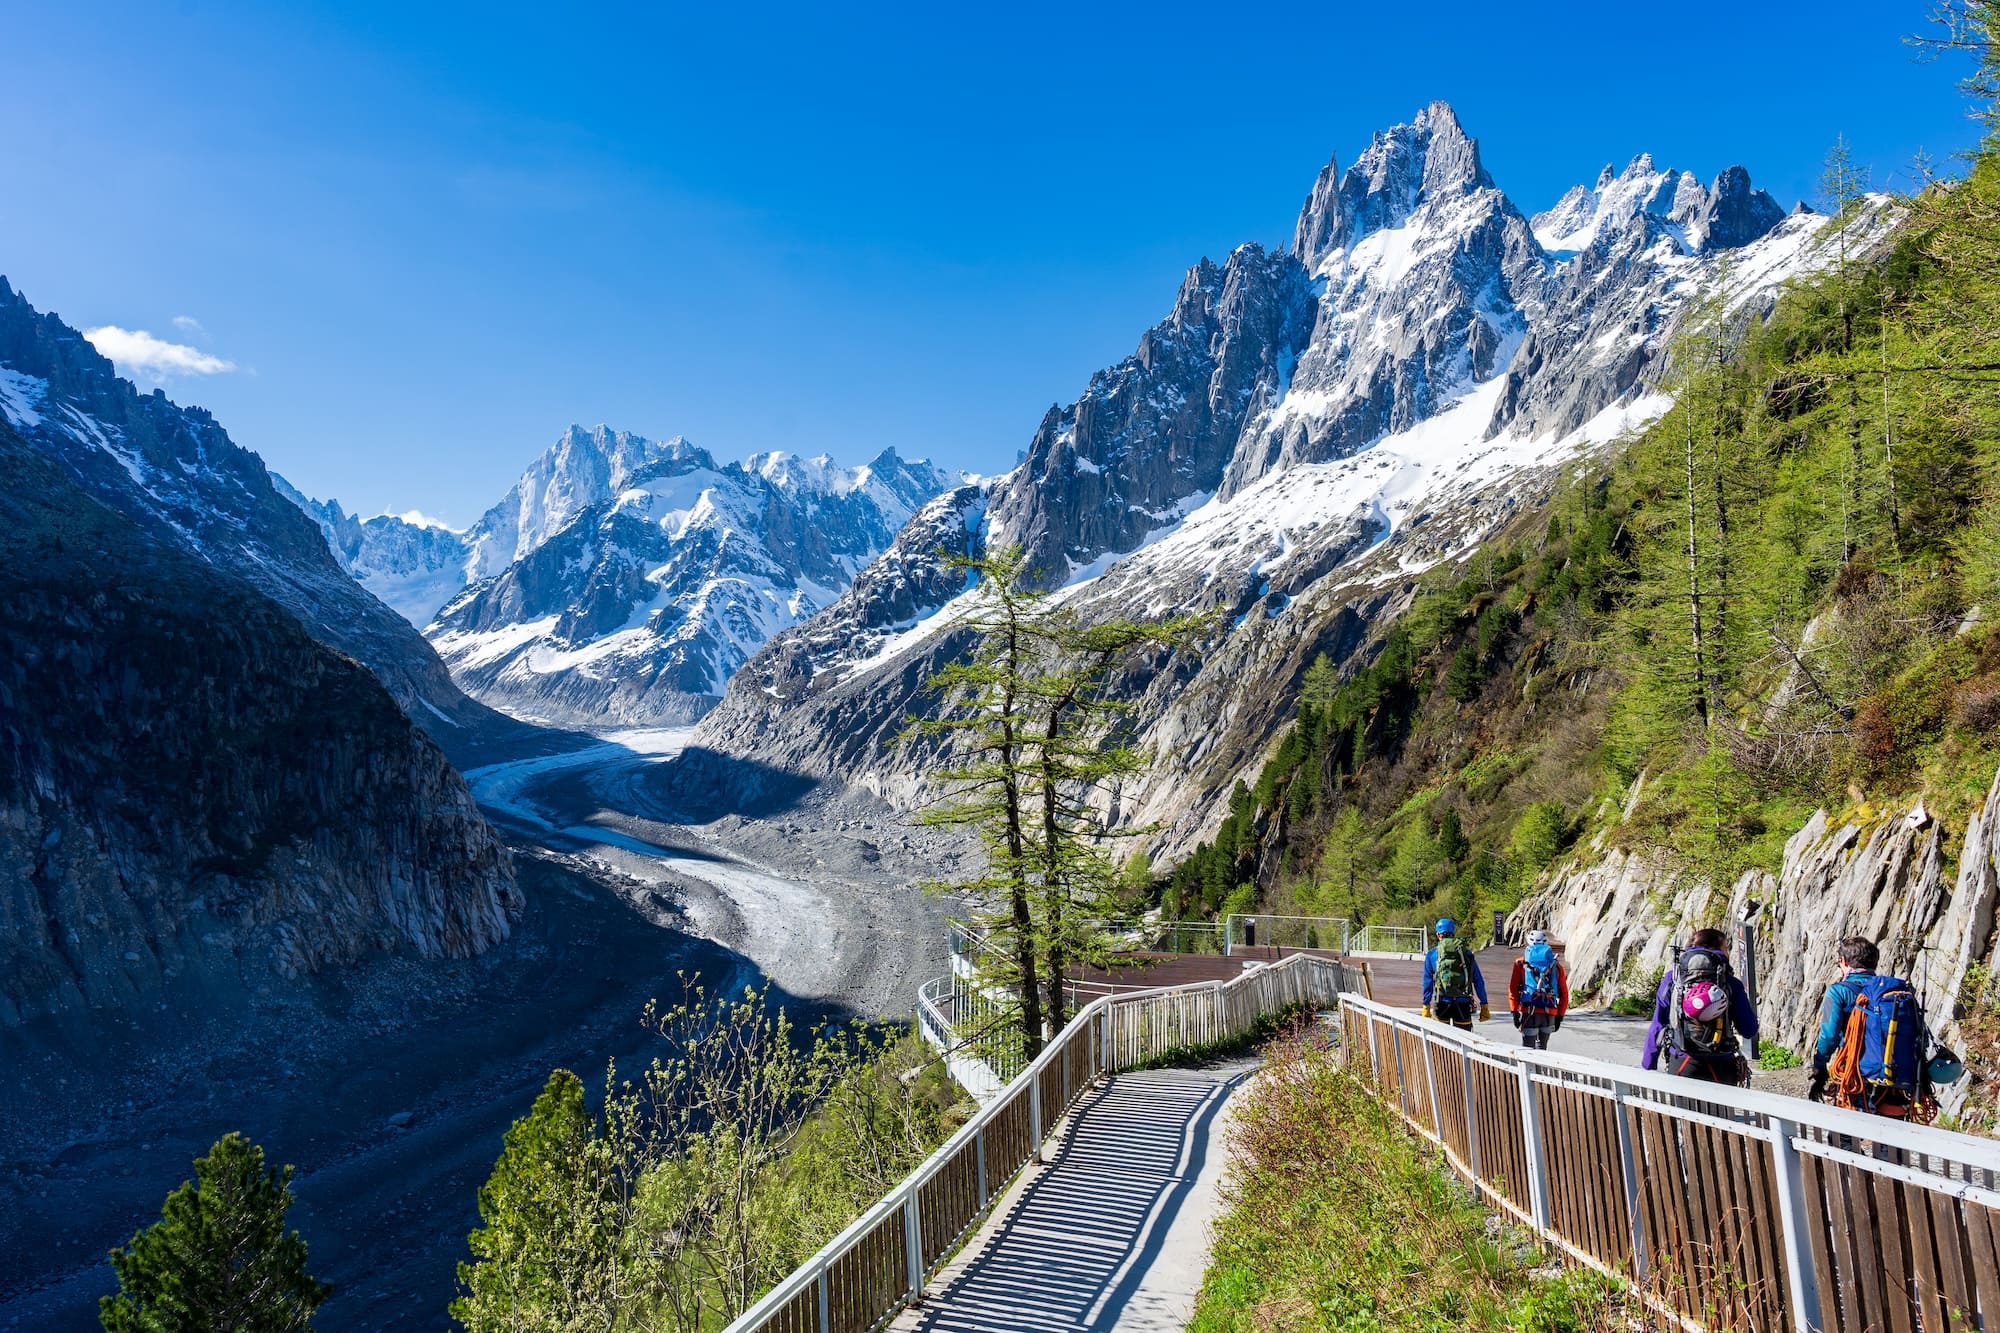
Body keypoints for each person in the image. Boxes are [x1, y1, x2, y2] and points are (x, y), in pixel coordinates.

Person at [1809, 936, 1936, 1122]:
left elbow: (1828, 1036)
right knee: (1890, 1141)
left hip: (1855, 1075)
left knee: (1845, 1138)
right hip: (1894, 1074)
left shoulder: (1837, 992)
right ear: (1874, 962)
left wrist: (1820, 1065)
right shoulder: (1895, 993)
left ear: (1844, 962)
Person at [1640, 928, 1758, 1085]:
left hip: (1682, 1061)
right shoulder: (1731, 983)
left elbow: (1658, 1024)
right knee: (1719, 1109)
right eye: (1726, 948)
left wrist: (1648, 1066)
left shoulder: (1673, 980)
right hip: (1721, 1066)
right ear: (1717, 949)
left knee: (1683, 1110)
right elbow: (1748, 1030)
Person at [1422, 918, 1489, 1031]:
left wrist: (1426, 1005)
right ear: (1453, 934)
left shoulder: (1433, 954)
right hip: (1463, 1003)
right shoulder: (1466, 953)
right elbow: (1478, 980)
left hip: (1442, 1002)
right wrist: (1484, 1004)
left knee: (1439, 1043)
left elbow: (1427, 982)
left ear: (1438, 935)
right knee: (1464, 1042)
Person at [1508, 929, 1569, 1050]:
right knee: (1542, 1048)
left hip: (1529, 1011)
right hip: (1550, 1012)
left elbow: (1513, 989)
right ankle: (1540, 1069)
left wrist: (1514, 1011)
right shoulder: (1556, 966)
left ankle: (1530, 1069)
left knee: (1528, 1049)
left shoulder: (1520, 963)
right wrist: (1560, 1016)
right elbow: (1564, 994)